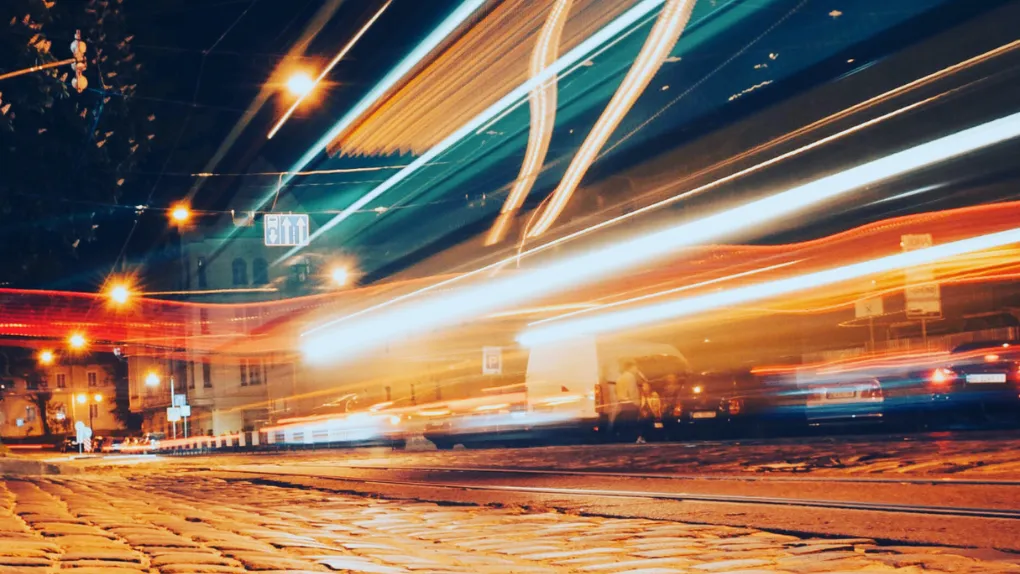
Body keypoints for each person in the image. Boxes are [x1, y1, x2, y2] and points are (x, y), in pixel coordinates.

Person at [613, 359, 642, 442]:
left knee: (625, 423)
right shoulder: (630, 377)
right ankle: (633, 439)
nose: (637, 369)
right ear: (631, 367)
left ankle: (625, 439)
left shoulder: (620, 378)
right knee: (632, 423)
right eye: (636, 367)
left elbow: (616, 391)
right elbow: (632, 391)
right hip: (630, 403)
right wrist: (637, 403)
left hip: (622, 402)